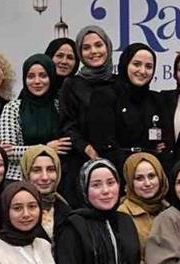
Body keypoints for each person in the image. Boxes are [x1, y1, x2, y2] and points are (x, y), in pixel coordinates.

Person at [58, 26, 119, 207]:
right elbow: (68, 126)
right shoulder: (72, 85)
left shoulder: (119, 82)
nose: (93, 51)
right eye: (86, 48)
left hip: (117, 163)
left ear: (108, 47)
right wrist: (89, 150)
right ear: (80, 53)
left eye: (98, 45)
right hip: (81, 163)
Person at [0, 54, 70, 181]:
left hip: (54, 178)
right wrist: (45, 148)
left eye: (43, 76)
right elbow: (7, 152)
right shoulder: (13, 108)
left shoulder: (60, 106)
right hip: (19, 178)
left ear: (51, 77)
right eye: (30, 76)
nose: (37, 81)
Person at [111, 43, 167, 169]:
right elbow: (105, 144)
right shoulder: (107, 96)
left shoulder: (157, 100)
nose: (143, 71)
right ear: (125, 64)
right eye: (136, 64)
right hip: (117, 170)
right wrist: (133, 169)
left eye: (149, 66)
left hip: (150, 171)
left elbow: (163, 142)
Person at [20, 145, 71, 239]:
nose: (45, 177)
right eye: (36, 170)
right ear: (26, 173)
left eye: (51, 170)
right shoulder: (15, 210)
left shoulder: (64, 208)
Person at [118, 152, 169, 243]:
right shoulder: (123, 214)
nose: (147, 183)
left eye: (151, 176)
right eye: (139, 178)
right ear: (130, 182)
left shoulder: (168, 208)